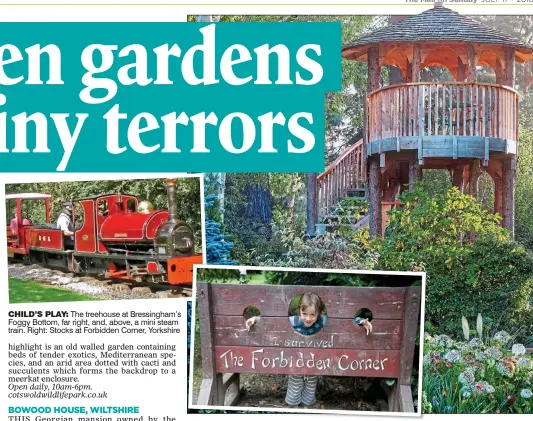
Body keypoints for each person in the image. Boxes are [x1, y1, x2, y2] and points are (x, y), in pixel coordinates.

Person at [245, 292, 372, 409]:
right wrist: (255, 319)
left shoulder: (323, 321)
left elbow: (348, 320)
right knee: (295, 379)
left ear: (319, 313)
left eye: (312, 314)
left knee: (312, 380)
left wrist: (362, 322)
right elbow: (270, 318)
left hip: (314, 357)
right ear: (300, 311)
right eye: (304, 314)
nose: (308, 318)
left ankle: (307, 404)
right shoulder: (295, 320)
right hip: (295, 356)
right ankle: (292, 404)